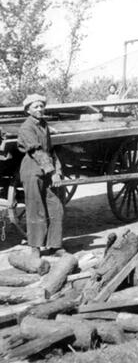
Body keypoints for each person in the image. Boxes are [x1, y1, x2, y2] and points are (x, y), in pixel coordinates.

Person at [17, 94, 65, 257]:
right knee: (35, 209)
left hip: (46, 169)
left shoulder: (44, 125)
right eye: (35, 107)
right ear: (28, 110)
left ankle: (55, 245)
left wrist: (57, 170)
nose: (39, 109)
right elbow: (37, 151)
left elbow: (50, 151)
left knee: (56, 206)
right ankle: (35, 248)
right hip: (32, 171)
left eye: (41, 106)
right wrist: (52, 172)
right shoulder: (26, 128)